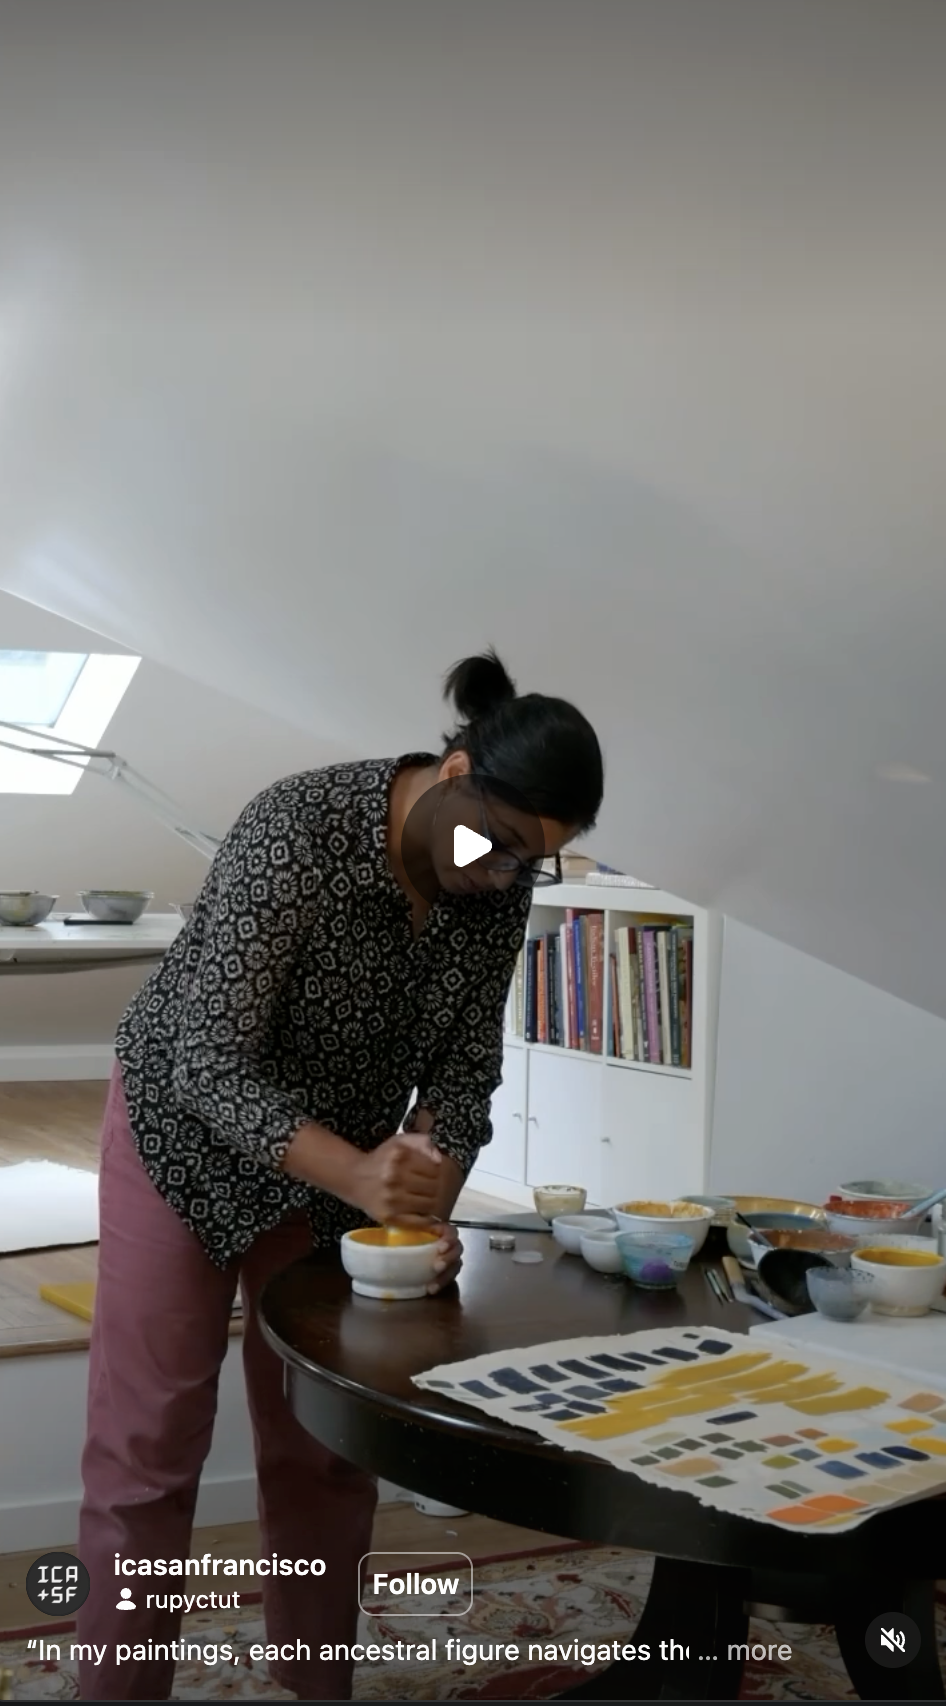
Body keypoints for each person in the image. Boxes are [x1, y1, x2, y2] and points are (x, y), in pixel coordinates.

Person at [76, 649, 604, 1701]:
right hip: (183, 1141)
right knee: (149, 1447)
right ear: (455, 769)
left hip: (333, 1177)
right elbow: (206, 1062)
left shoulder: (492, 881)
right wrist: (366, 1176)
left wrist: (423, 1203)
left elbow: (463, 1072)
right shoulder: (298, 829)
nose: (504, 874)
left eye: (532, 862)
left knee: (322, 1445)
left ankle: (316, 1686)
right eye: (499, 844)